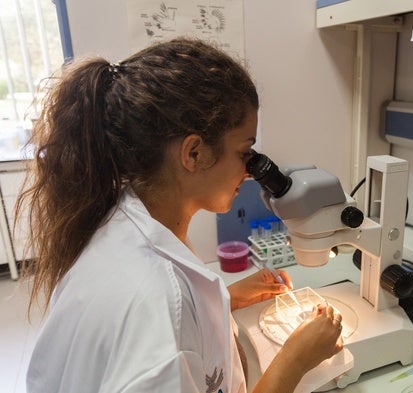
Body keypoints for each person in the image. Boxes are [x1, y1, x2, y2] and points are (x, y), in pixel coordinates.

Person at [16, 37, 343, 393]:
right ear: (194, 153)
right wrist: (295, 359)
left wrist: (219, 300)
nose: (250, 171)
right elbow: (161, 319)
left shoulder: (127, 220)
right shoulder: (156, 300)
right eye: (244, 152)